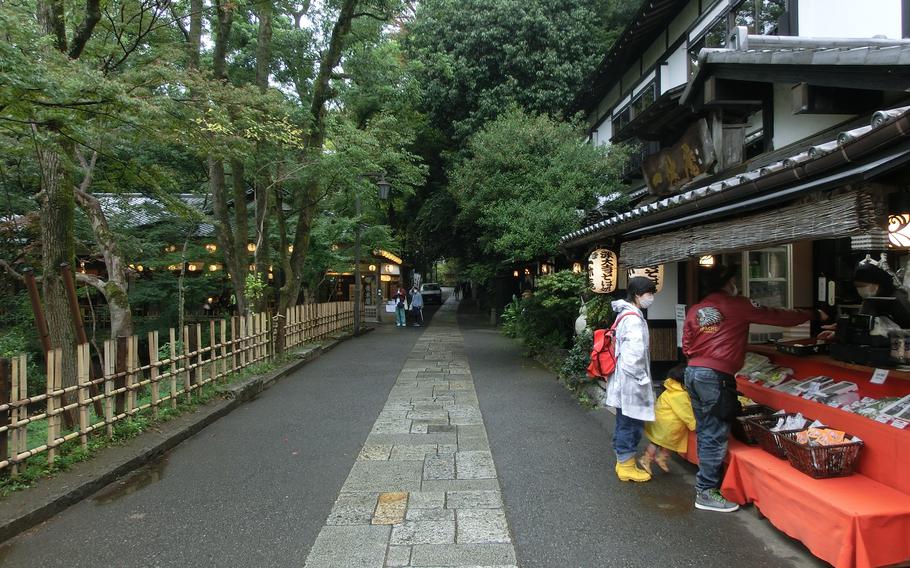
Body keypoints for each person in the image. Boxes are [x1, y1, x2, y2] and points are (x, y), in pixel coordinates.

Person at [683, 265, 825, 512]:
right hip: (716, 375)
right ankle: (706, 492)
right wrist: (813, 315)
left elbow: (686, 343)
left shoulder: (696, 309)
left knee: (706, 428)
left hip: (693, 372)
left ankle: (704, 487)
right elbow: (777, 316)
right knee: (714, 432)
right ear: (728, 283)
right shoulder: (737, 304)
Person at [605, 276, 659, 483]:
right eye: (649, 293)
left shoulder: (624, 315)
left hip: (624, 380)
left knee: (624, 421)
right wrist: (642, 379)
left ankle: (623, 462)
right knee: (631, 424)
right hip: (632, 383)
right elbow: (634, 355)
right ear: (638, 295)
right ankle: (626, 466)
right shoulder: (634, 320)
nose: (651, 297)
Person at [640, 362, 695, 475]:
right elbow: (685, 413)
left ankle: (660, 458)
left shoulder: (671, 388)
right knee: (657, 443)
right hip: (668, 424)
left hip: (662, 421)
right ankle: (646, 459)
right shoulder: (680, 395)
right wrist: (694, 424)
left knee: (665, 442)